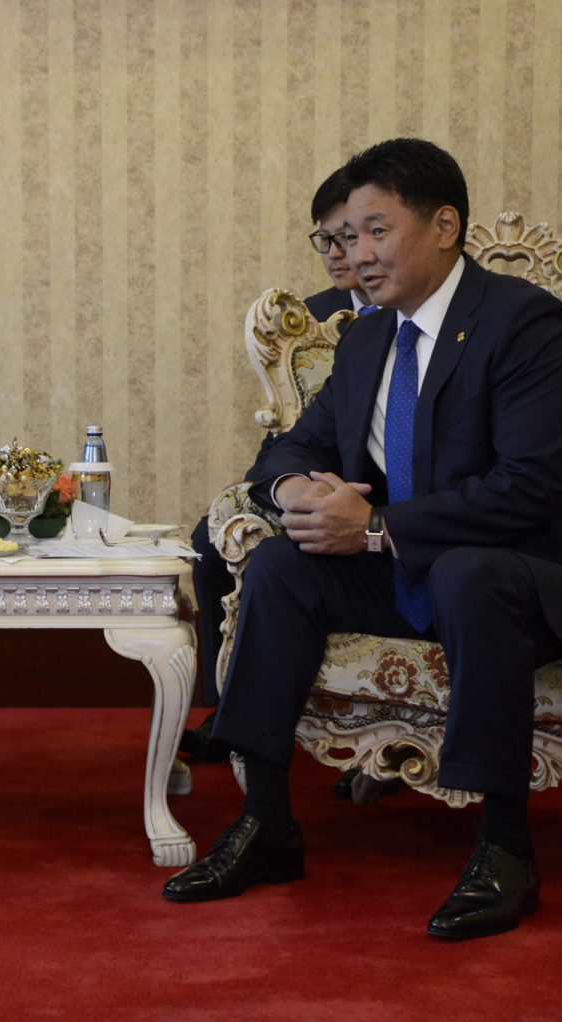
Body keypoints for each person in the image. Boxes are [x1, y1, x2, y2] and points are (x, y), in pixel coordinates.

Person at [162, 139, 562, 941]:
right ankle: (266, 821)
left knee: (467, 575)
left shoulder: (523, 321)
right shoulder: (367, 339)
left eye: (376, 231)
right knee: (281, 563)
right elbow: (287, 450)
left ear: (444, 225)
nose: (356, 254)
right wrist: (295, 491)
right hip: (418, 568)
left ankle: (505, 848)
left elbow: (528, 488)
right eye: (345, 237)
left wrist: (379, 527)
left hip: (534, 576)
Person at [182, 164, 372, 759]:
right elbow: (286, 430)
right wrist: (274, 488)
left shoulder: (429, 318)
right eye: (325, 239)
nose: (337, 253)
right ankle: (225, 711)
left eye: (348, 236)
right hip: (309, 479)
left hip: (381, 499)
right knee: (212, 539)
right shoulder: (307, 322)